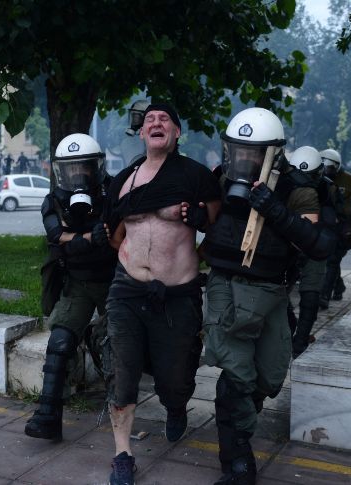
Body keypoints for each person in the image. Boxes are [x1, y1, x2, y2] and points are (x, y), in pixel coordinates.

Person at [201, 108, 335, 485]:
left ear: (274, 153)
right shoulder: (220, 179)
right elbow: (207, 219)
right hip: (226, 286)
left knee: (270, 375)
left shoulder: (296, 189)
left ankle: (235, 421)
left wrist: (276, 210)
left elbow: (320, 244)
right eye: (238, 150)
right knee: (237, 375)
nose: (244, 158)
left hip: (272, 291)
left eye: (253, 152)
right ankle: (237, 457)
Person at [102, 103, 222, 485]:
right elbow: (114, 231)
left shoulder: (196, 176)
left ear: (176, 134)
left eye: (165, 120)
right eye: (150, 119)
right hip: (127, 290)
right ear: (141, 133)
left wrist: (198, 225)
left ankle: (176, 406)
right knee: (122, 372)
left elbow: (219, 227)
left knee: (176, 379)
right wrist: (127, 256)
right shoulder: (124, 180)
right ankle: (122, 454)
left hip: (177, 295)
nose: (156, 123)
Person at [24, 133, 118, 441]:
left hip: (114, 281)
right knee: (60, 341)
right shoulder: (53, 200)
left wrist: (76, 239)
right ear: (61, 171)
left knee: (120, 342)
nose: (78, 174)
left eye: (84, 167)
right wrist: (89, 239)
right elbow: (55, 236)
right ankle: (48, 414)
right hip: (76, 282)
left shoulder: (112, 192)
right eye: (71, 167)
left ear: (95, 167)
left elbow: (117, 231)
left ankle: (121, 407)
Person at [280, 146, 341, 358]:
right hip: (290, 243)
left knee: (310, 292)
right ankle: (293, 331)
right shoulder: (285, 184)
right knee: (279, 289)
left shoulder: (327, 189)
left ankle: (300, 339)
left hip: (315, 246)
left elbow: (333, 221)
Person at [318, 148, 351, 310]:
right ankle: (338, 286)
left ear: (337, 166)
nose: (328, 170)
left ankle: (324, 295)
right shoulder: (318, 178)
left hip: (344, 226)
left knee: (333, 259)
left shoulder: (348, 179)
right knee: (330, 259)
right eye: (324, 166)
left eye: (331, 167)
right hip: (325, 225)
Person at [119, 99, 149, 169]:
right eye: (133, 116)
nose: (134, 120)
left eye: (136, 116)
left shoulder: (155, 141)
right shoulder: (127, 143)